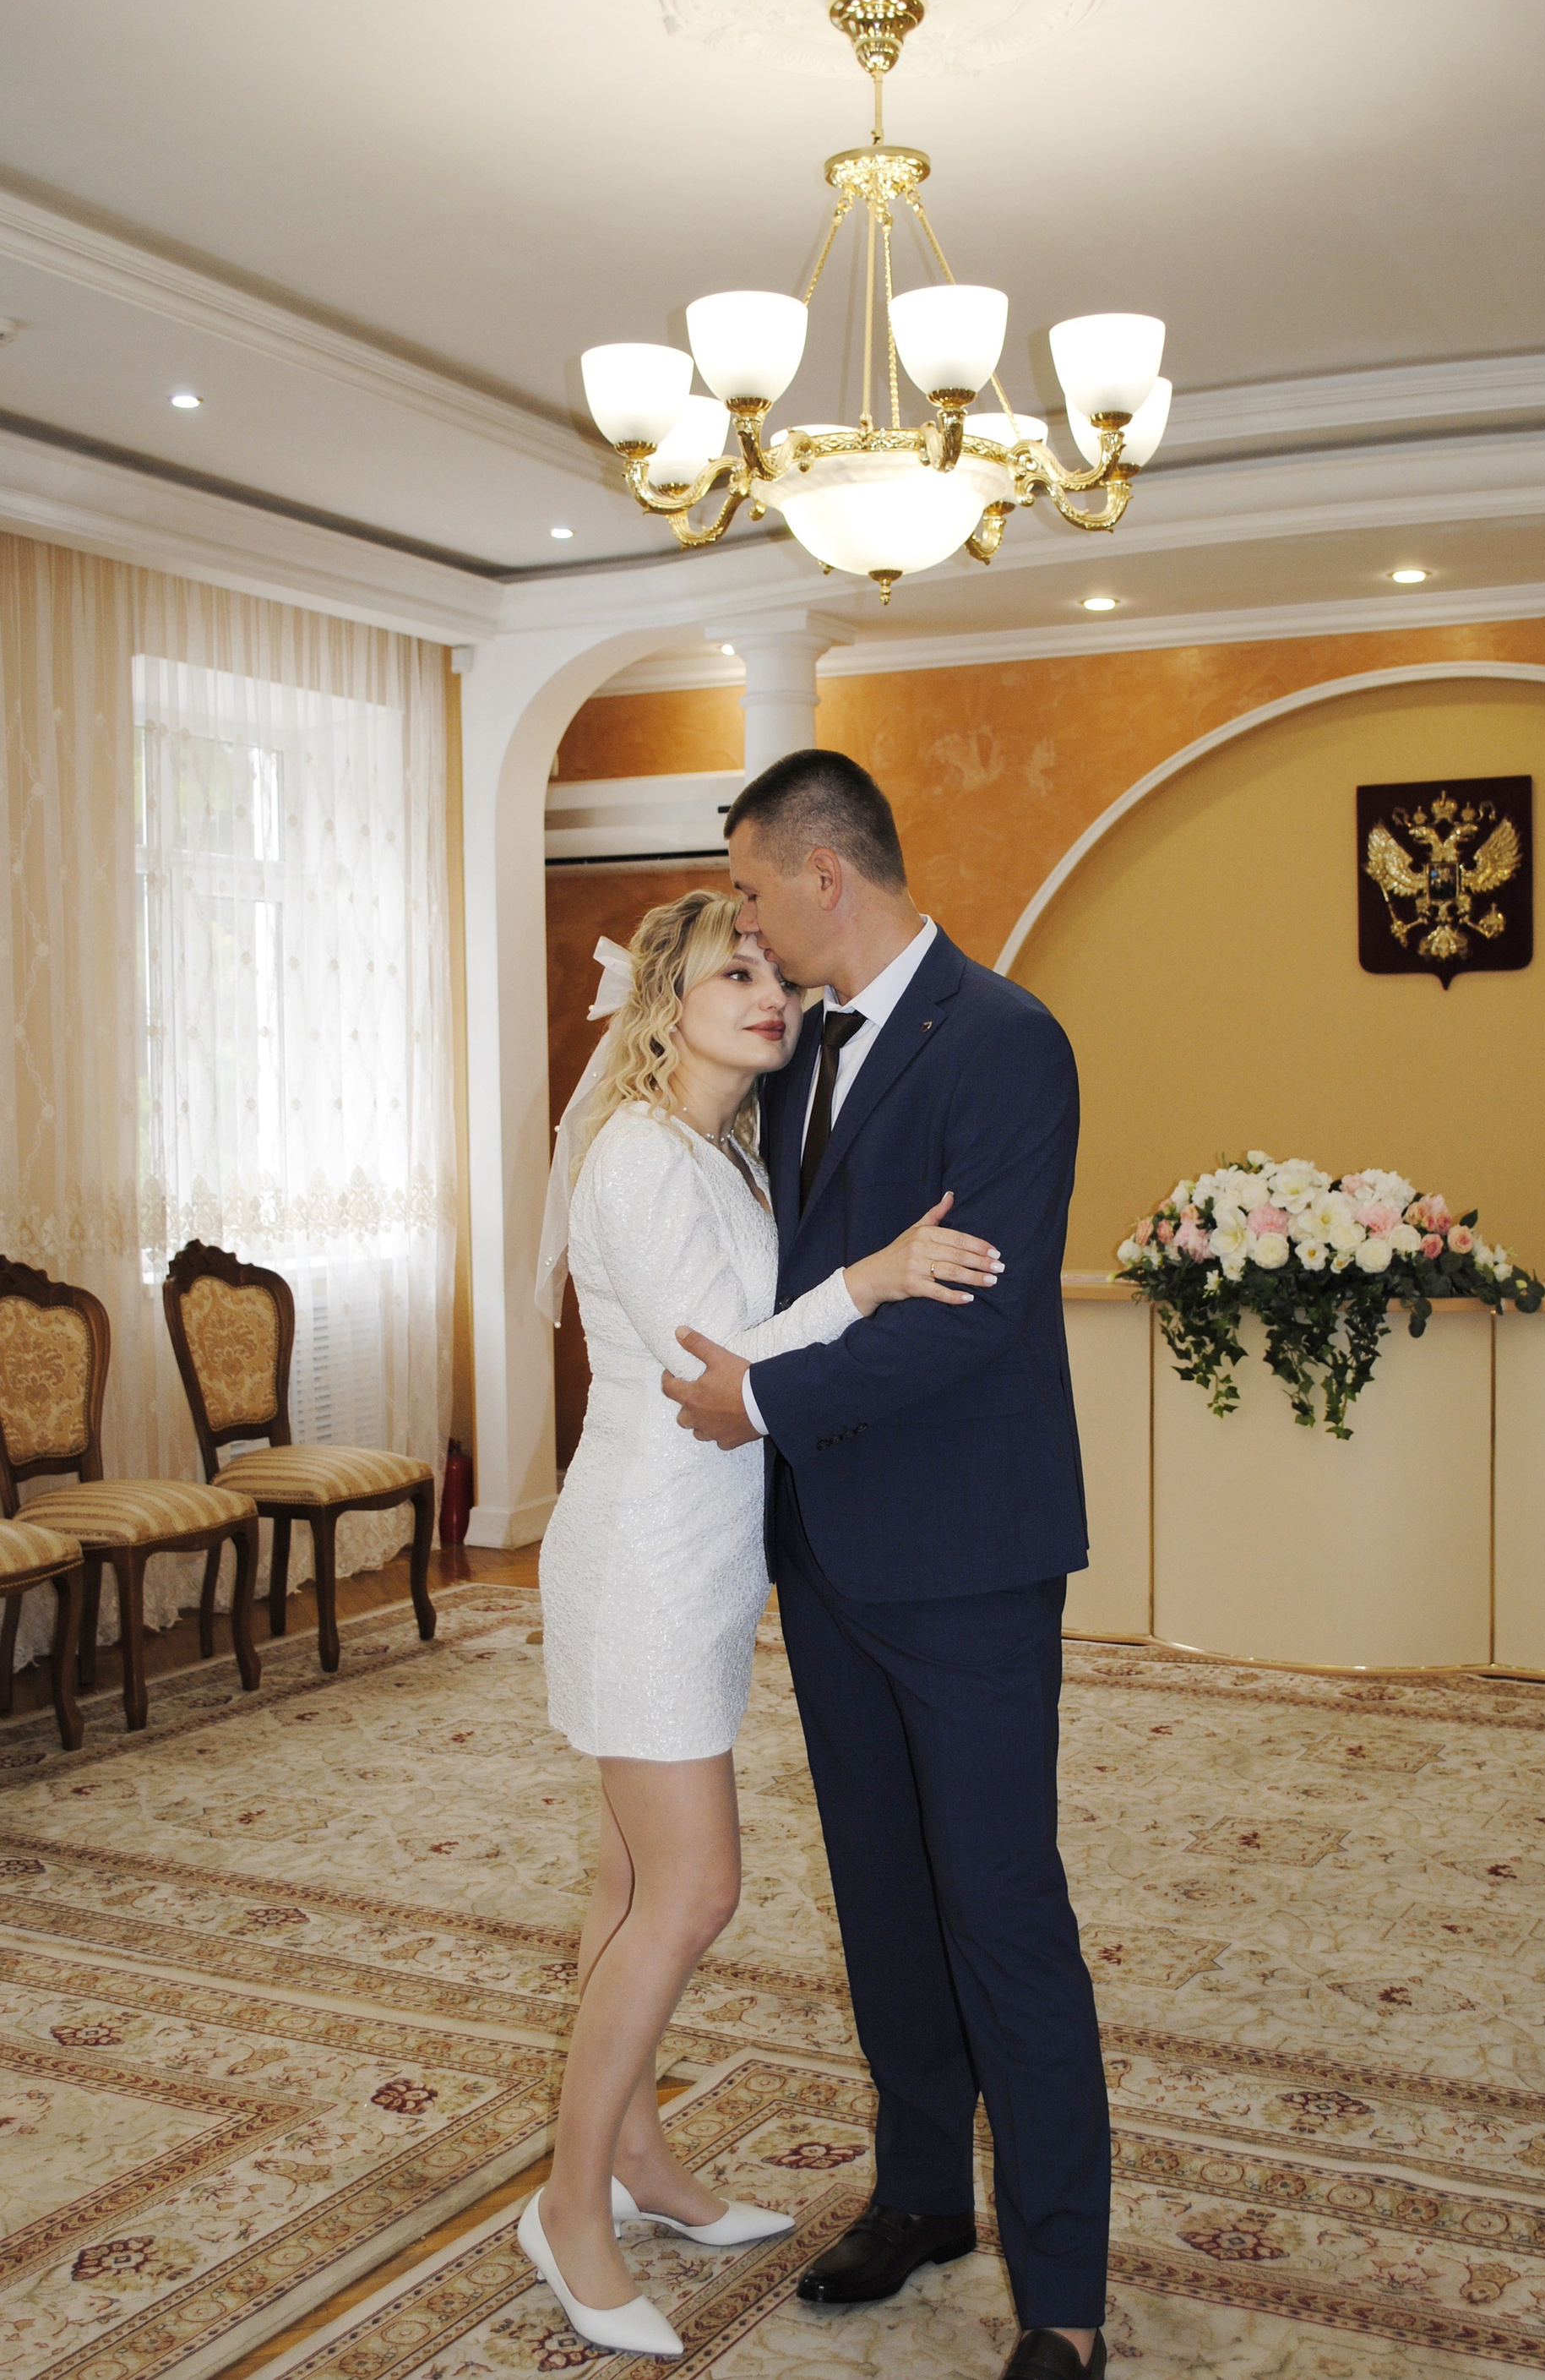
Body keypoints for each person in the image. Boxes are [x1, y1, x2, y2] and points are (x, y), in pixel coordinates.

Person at [661, 753, 1109, 2380]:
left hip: (970, 1556)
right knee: (882, 1896)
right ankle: (922, 2189)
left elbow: (974, 1311)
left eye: (751, 890)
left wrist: (762, 1402)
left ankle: (1063, 2298)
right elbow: (798, 1272)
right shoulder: (795, 1053)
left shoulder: (1006, 1040)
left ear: (824, 875)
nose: (747, 925)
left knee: (1001, 1907)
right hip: (829, 1554)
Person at [520, 888, 1003, 2360]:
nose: (771, 993)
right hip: (645, 1558)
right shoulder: (638, 1155)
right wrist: (875, 1276)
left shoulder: (717, 1151)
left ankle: (637, 2159)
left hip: (702, 1553)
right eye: (735, 974)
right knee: (694, 1890)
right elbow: (713, 1365)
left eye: (771, 973)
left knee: (629, 1883)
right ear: (665, 1010)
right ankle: (568, 2209)